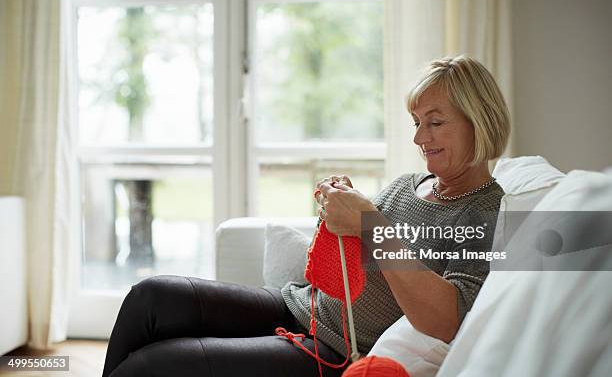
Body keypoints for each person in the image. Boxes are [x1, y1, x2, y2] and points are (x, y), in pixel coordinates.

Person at [102, 55, 510, 377]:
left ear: (481, 122)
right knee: (150, 298)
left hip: (331, 352)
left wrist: (369, 222)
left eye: (435, 123)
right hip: (298, 306)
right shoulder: (409, 183)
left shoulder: (487, 211)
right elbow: (353, 247)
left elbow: (445, 320)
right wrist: (340, 209)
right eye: (417, 123)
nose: (420, 138)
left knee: (154, 367)